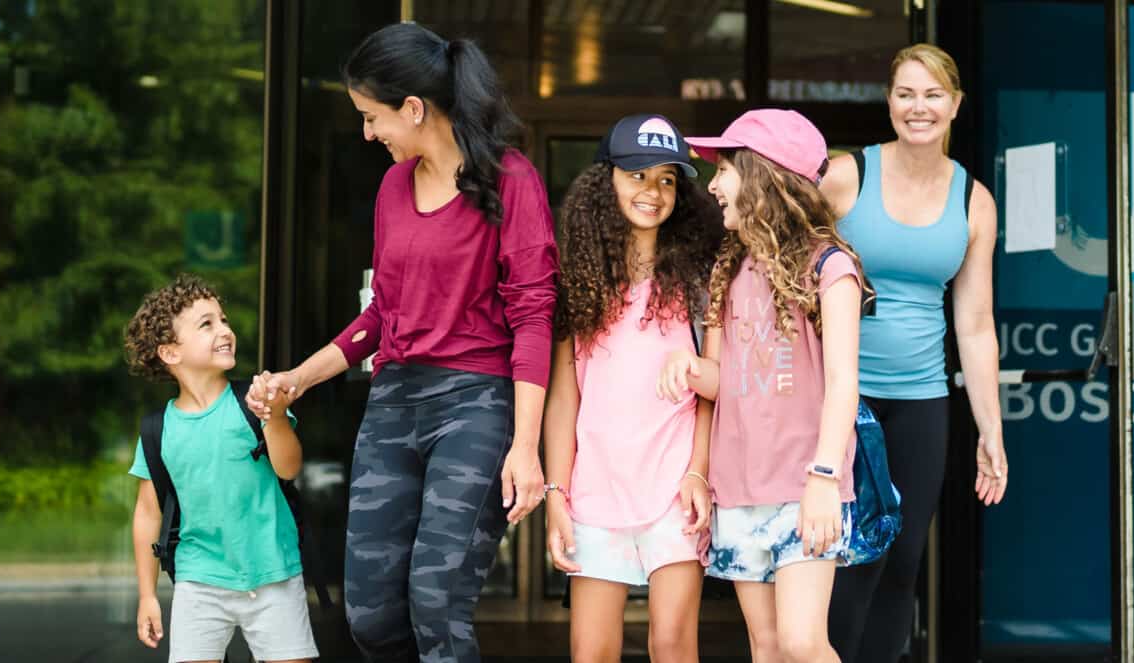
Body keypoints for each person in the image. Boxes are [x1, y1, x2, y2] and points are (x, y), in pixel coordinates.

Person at [244, 23, 558, 662]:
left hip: (477, 404)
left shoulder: (510, 180)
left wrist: (526, 447)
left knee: (438, 603)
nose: (368, 133)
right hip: (395, 403)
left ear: (413, 109)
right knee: (370, 613)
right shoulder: (393, 188)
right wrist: (298, 378)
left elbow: (533, 317)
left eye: (371, 117)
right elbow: (383, 313)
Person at [819, 43, 1008, 663]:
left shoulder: (974, 201)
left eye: (932, 95)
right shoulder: (848, 176)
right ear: (889, 101)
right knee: (846, 553)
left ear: (955, 105)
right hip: (842, 396)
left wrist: (991, 430)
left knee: (902, 559)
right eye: (905, 93)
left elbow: (975, 325)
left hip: (922, 399)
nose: (918, 107)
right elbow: (787, 277)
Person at [667, 108, 875, 663]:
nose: (712, 184)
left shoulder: (831, 268)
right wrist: (686, 369)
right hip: (738, 490)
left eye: (725, 168)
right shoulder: (727, 269)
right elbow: (724, 379)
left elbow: (843, 383)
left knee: (805, 642)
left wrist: (826, 478)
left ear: (764, 175)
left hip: (807, 484)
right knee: (768, 647)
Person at [542, 113, 724, 663]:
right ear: (606, 181)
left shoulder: (700, 278)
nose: (654, 191)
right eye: (638, 175)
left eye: (668, 179)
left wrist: (697, 471)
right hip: (595, 490)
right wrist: (556, 492)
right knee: (591, 651)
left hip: (674, 490)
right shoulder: (576, 278)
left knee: (672, 645)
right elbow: (563, 397)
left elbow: (714, 391)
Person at [124, 274, 317, 663]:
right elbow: (148, 512)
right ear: (170, 353)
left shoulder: (256, 401)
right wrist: (147, 595)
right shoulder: (159, 429)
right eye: (206, 324)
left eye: (224, 319)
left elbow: (289, 468)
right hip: (200, 581)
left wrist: (276, 417)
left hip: (273, 574)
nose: (224, 329)